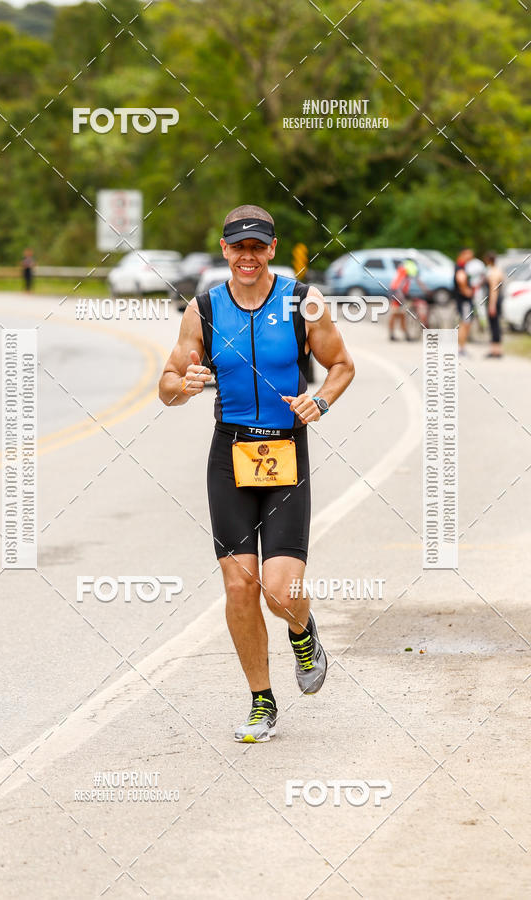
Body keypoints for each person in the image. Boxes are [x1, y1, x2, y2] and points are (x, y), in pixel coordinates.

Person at [158, 205, 355, 743]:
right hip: (230, 456)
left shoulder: (302, 301)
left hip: (286, 451)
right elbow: (168, 384)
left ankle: (302, 629)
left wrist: (322, 402)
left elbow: (342, 365)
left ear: (271, 249)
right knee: (239, 586)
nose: (247, 256)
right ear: (224, 250)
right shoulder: (204, 309)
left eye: (257, 246)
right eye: (237, 247)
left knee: (279, 590)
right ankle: (261, 700)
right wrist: (186, 384)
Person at [388, 258, 428, 340]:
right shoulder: (405, 272)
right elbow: (400, 286)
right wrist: (426, 291)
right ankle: (396, 334)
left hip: (397, 292)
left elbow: (417, 280)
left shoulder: (403, 270)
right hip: (397, 293)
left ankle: (403, 334)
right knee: (396, 313)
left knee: (400, 314)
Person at [483, 251, 505, 358]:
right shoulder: (498, 270)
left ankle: (495, 350)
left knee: (494, 325)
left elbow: (493, 290)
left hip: (494, 300)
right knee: (496, 324)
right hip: (498, 300)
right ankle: (496, 349)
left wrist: (492, 305)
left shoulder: (493, 273)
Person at [454, 248, 475, 355]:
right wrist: (466, 291)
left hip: (463, 300)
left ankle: (461, 347)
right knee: (465, 323)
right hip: (464, 300)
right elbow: (461, 279)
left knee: (465, 322)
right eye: (469, 254)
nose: (471, 256)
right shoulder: (460, 266)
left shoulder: (461, 265)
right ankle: (461, 348)